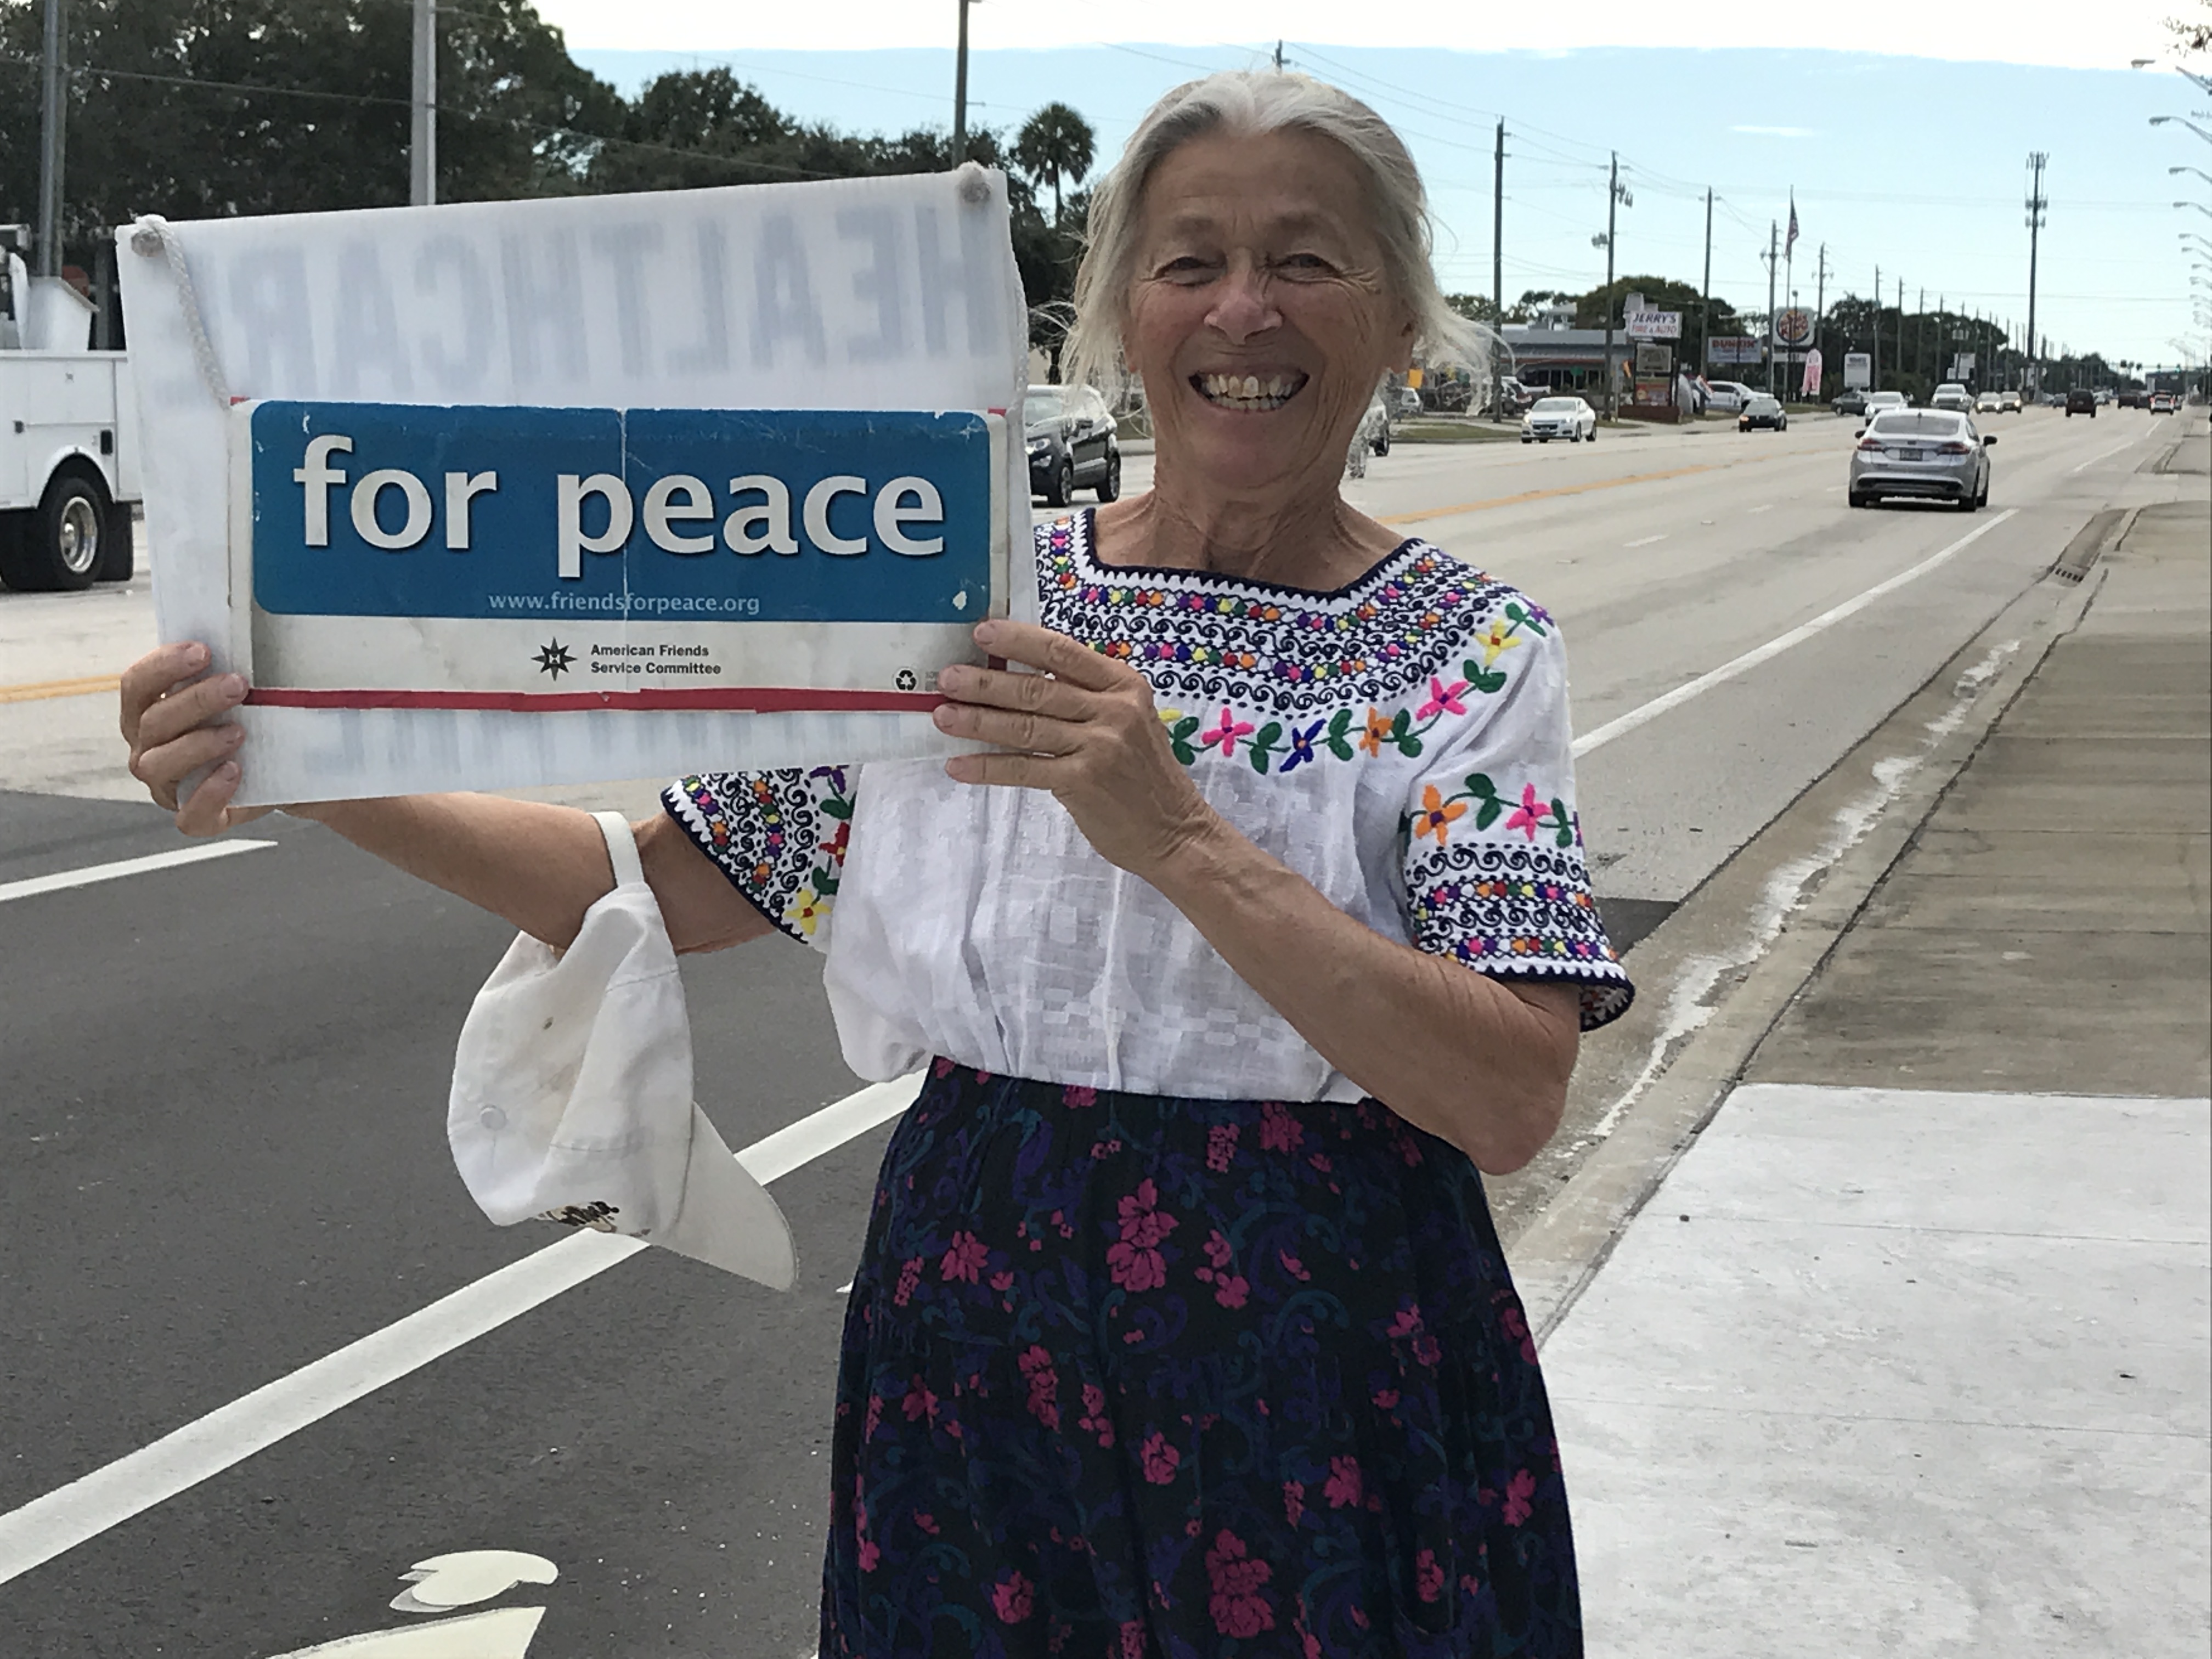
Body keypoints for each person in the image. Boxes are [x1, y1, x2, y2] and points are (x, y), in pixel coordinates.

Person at [122, 70, 1632, 1659]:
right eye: (1191, 261)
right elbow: (651, 887)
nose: (1242, 309)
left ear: (1397, 315)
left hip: (1330, 1358)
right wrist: (295, 768)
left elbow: (1508, 1095)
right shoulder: (957, 596)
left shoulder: (1471, 653)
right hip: (981, 1338)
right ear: (1121, 315)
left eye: (1305, 260)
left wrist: (1179, 838)